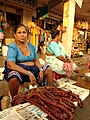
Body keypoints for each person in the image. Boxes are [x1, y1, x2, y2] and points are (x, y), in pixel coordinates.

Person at [3, 24, 53, 98]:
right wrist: (28, 73)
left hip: (32, 69)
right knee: (14, 78)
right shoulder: (12, 47)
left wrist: (41, 70)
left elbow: (36, 60)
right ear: (15, 35)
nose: (22, 35)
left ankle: (51, 92)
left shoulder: (31, 46)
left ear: (27, 34)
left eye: (24, 32)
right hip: (19, 71)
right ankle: (14, 99)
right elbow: (11, 65)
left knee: (48, 69)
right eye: (19, 33)